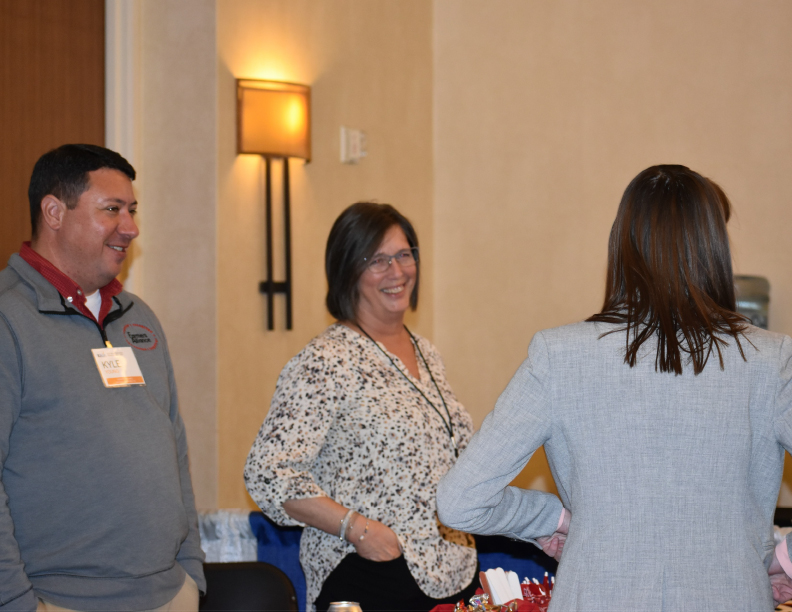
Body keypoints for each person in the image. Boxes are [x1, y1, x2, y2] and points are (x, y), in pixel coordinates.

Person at [436, 164, 792, 611]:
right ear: (714, 247)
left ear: (622, 246)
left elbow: (459, 501)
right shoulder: (770, 361)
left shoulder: (558, 355)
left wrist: (555, 519)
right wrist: (786, 559)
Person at [0, 145, 205, 611]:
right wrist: (15, 603)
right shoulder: (8, 318)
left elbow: (174, 448)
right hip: (59, 600)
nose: (130, 227)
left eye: (131, 210)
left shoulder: (140, 318)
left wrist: (190, 572)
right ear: (54, 212)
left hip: (169, 594)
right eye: (111, 210)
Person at [245, 202, 478, 612]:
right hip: (370, 574)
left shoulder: (426, 353)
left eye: (404, 255)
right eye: (377, 260)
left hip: (450, 574)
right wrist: (359, 530)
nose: (397, 271)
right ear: (347, 270)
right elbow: (269, 475)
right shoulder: (325, 360)